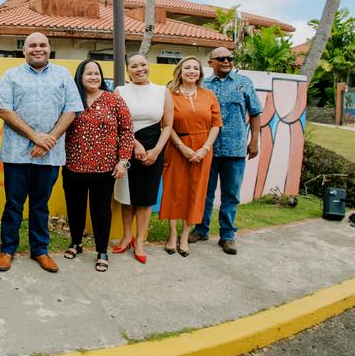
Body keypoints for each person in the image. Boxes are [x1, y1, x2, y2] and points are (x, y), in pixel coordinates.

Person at [0, 32, 83, 273]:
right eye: (32, 45)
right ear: (24, 49)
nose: (38, 49)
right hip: (16, 154)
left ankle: (40, 250)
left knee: (40, 205)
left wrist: (48, 140)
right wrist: (35, 137)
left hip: (50, 154)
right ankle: (7, 249)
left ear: (49, 48)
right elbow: (4, 110)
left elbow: (71, 110)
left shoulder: (63, 75)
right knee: (13, 203)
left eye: (42, 45)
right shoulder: (11, 75)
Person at [62, 60, 133, 272]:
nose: (93, 77)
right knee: (75, 207)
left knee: (101, 210)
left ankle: (102, 250)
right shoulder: (71, 99)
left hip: (105, 167)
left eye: (97, 73)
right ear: (80, 77)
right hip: (73, 164)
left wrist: (123, 161)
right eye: (88, 73)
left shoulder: (113, 100)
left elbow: (127, 131)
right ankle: (76, 243)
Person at [190, 47, 263, 254]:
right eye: (221, 58)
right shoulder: (202, 85)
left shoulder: (244, 83)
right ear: (211, 62)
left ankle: (227, 235)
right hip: (207, 149)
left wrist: (254, 141)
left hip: (235, 148)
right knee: (205, 192)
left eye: (229, 58)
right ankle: (201, 229)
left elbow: (255, 113)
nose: (226, 61)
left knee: (231, 194)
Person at [112, 53, 174, 264]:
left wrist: (156, 151)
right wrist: (134, 144)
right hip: (126, 146)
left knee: (145, 198)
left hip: (154, 147)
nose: (140, 69)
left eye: (143, 65)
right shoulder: (120, 91)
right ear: (127, 70)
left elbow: (167, 125)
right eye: (134, 66)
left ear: (149, 66)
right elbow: (118, 124)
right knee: (126, 196)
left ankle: (140, 240)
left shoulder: (162, 91)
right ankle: (127, 236)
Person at [160, 56, 222, 257]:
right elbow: (165, 124)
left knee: (195, 191)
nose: (192, 71)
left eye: (196, 68)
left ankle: (185, 236)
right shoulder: (169, 94)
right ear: (180, 71)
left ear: (200, 73)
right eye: (187, 67)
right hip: (177, 146)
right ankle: (172, 235)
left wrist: (204, 148)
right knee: (174, 190)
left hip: (203, 149)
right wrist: (181, 147)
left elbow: (216, 124)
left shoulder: (209, 95)